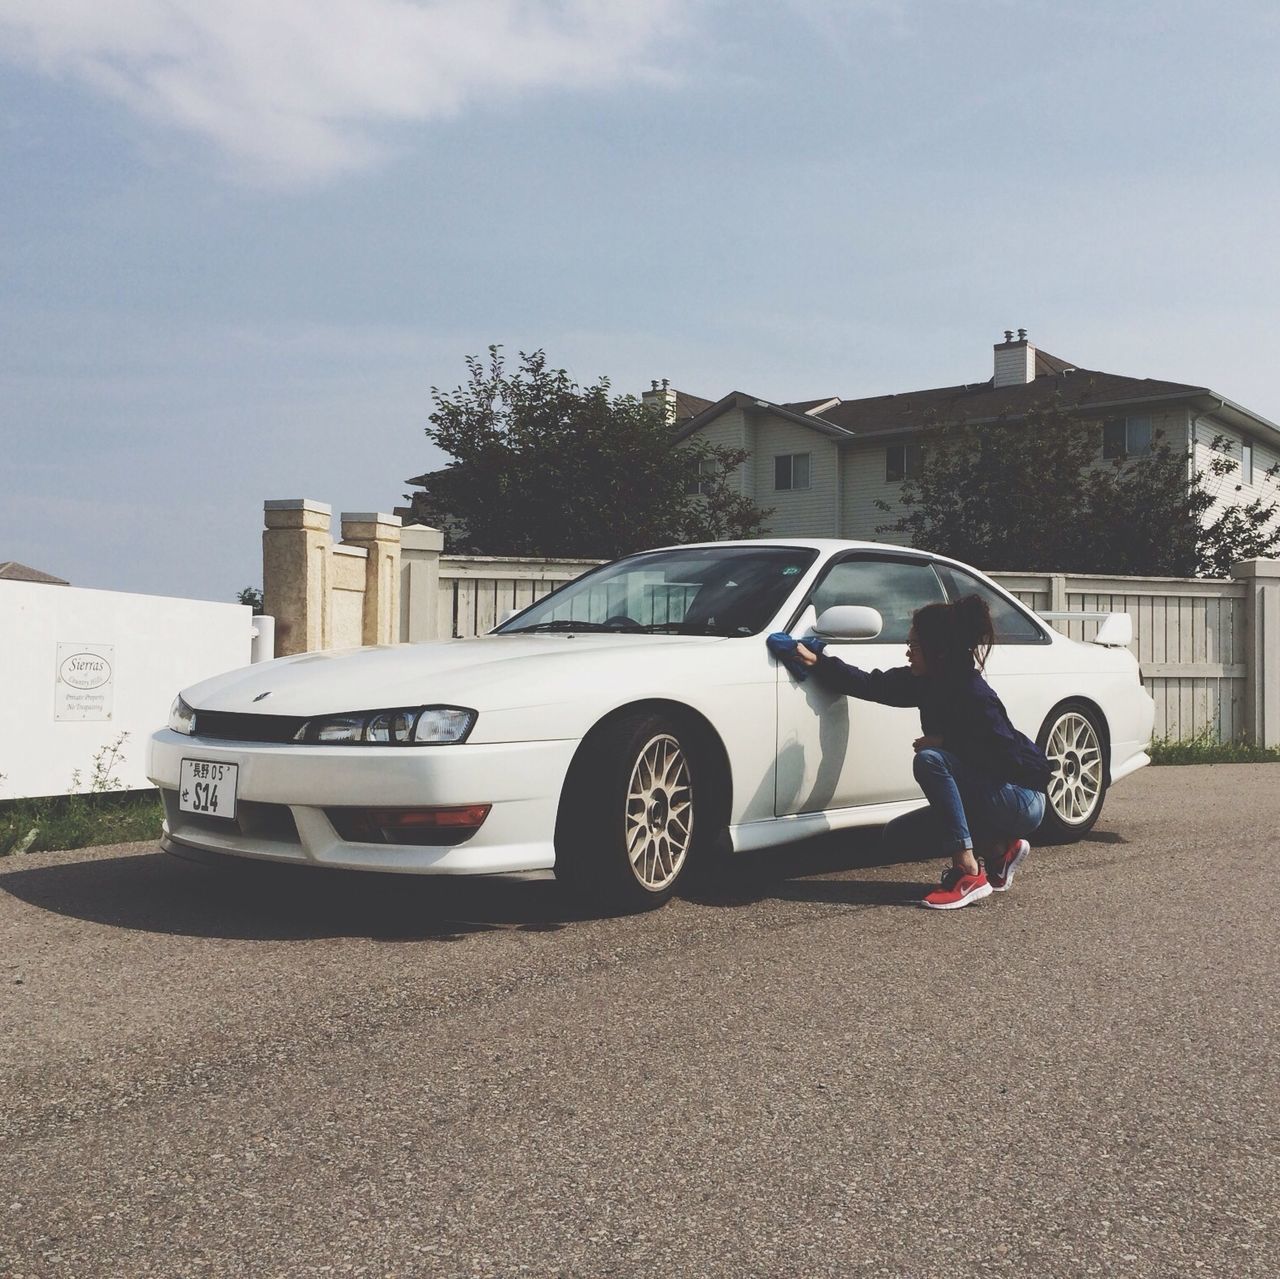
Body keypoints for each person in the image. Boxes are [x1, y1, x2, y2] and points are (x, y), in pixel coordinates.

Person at [792, 595, 1052, 910]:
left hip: (1023, 797)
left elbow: (1008, 758)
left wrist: (947, 744)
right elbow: (872, 685)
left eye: (914, 645)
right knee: (898, 837)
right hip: (992, 793)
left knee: (930, 761)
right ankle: (998, 853)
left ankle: (968, 872)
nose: (907, 651)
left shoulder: (974, 695)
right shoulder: (926, 682)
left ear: (938, 651)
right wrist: (820, 663)